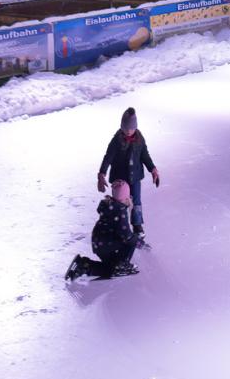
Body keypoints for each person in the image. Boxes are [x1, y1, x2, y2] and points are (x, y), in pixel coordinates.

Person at [97, 107, 160, 243]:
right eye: (125, 128)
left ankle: (137, 226)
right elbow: (108, 157)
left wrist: (153, 169)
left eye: (131, 128)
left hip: (135, 177)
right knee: (120, 203)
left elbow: (145, 155)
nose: (128, 131)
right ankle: (118, 226)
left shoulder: (139, 139)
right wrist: (102, 173)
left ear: (135, 127)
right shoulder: (116, 140)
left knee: (136, 202)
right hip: (120, 179)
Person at [65, 180, 139, 280]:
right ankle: (121, 265)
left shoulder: (110, 206)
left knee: (109, 269)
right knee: (132, 240)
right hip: (106, 244)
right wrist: (138, 241)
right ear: (126, 198)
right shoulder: (120, 210)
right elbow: (125, 234)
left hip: (99, 243)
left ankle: (84, 266)